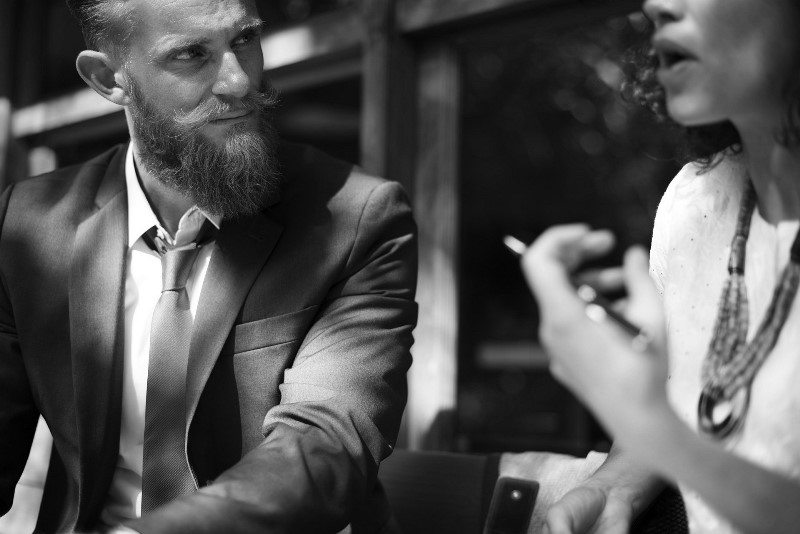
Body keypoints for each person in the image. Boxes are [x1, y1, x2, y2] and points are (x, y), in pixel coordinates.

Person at [0, 0, 417, 532]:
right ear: (108, 78)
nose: (239, 81)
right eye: (192, 54)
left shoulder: (356, 216)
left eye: (244, 39)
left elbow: (324, 448)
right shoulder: (28, 224)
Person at [520, 0, 800, 533]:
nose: (658, 4)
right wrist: (612, 489)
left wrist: (644, 422)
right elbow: (679, 404)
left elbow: (662, 428)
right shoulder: (698, 198)